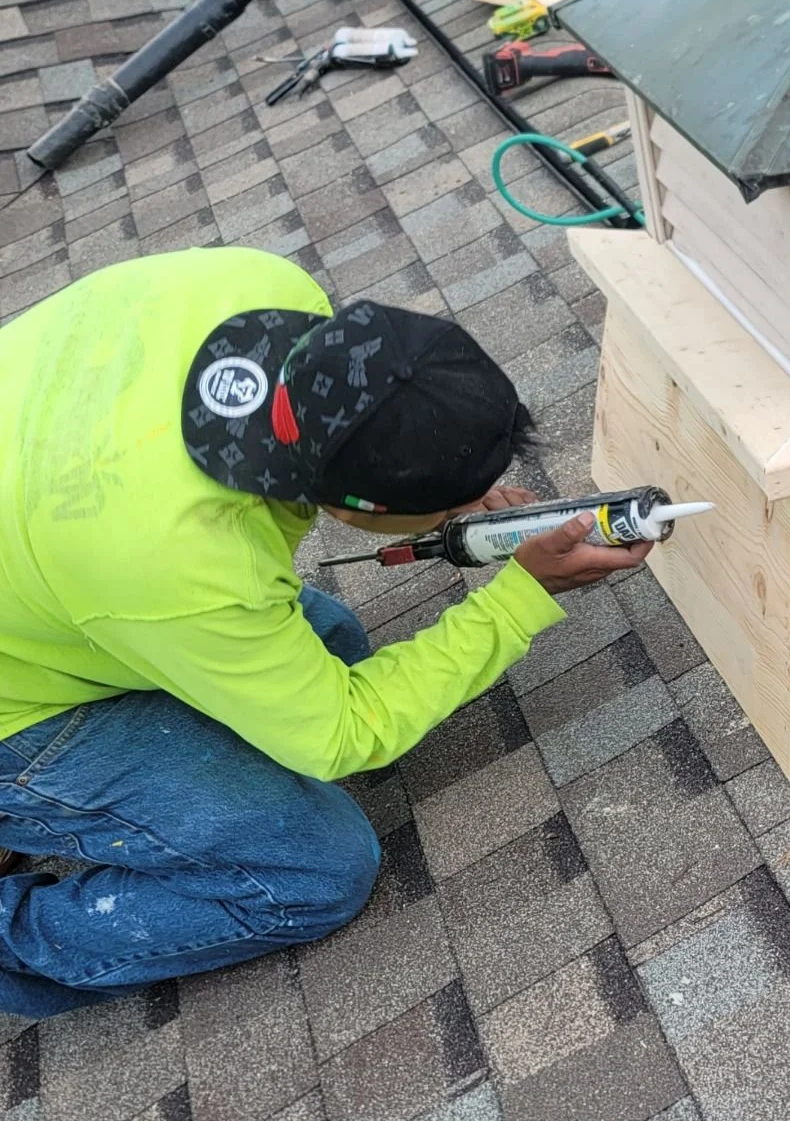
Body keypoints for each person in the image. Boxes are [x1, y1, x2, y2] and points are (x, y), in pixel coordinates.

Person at [0, 247, 651, 1019]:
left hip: (54, 571)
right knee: (312, 868)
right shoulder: (177, 561)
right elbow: (344, 734)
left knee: (335, 642)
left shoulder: (261, 290)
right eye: (444, 511)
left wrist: (444, 488)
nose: (466, 511)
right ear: (358, 510)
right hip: (31, 689)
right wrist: (521, 597)